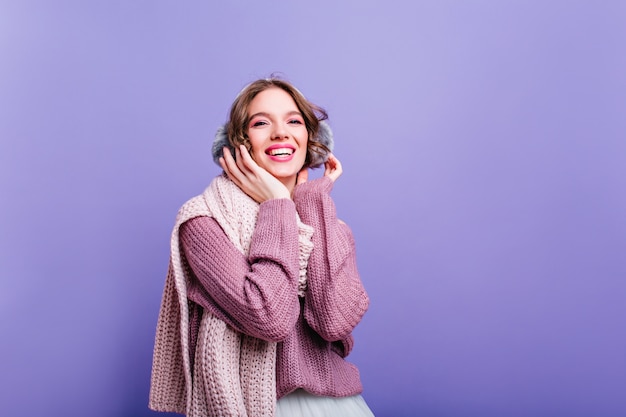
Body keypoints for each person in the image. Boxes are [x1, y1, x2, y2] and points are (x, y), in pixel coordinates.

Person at [149, 77, 374, 417]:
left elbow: (334, 322)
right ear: (238, 143)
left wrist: (310, 202)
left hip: (337, 406)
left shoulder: (330, 227)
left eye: (294, 121)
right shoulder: (203, 222)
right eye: (261, 123)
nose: (281, 133)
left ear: (311, 142)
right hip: (254, 407)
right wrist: (278, 206)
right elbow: (269, 317)